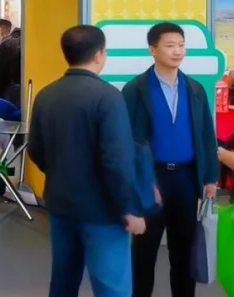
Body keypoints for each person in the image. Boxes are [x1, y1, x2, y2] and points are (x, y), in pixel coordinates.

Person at [28, 25, 144, 297]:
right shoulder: (108, 97)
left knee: (64, 281)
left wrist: (61, 172)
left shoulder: (46, 94)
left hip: (60, 204)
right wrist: (128, 207)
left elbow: (35, 149)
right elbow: (117, 160)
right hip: (102, 211)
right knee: (112, 288)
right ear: (99, 54)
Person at [122, 22, 219, 297]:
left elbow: (206, 135)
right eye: (170, 45)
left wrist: (210, 178)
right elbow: (125, 138)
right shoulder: (135, 89)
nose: (178, 51)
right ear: (153, 49)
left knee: (184, 250)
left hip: (186, 178)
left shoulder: (194, 89)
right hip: (151, 178)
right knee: (145, 250)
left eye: (181, 45)